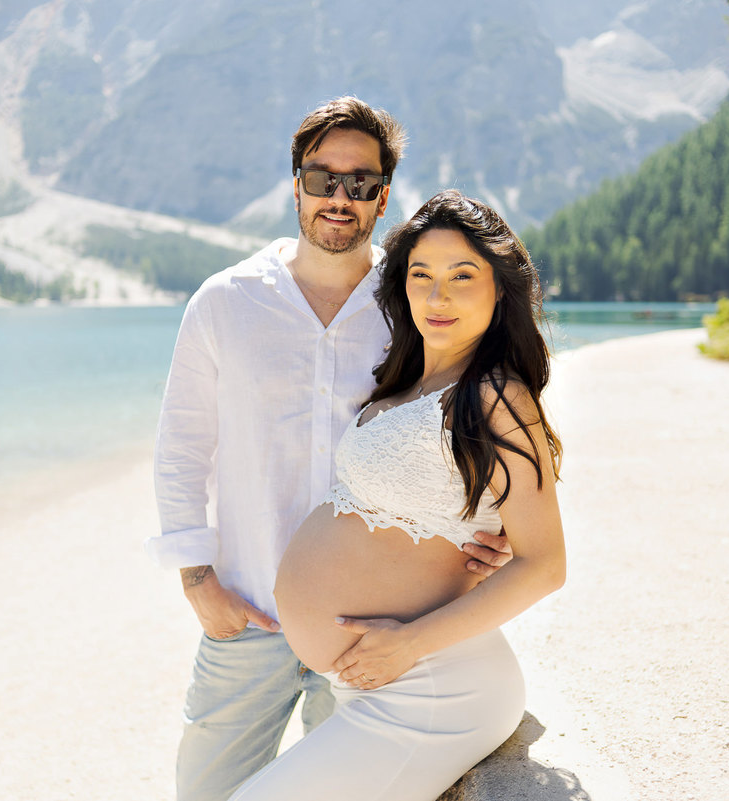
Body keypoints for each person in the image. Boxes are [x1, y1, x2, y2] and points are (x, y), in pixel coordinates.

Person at [150, 98, 513, 801]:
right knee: (206, 791)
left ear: (383, 198)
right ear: (296, 186)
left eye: (360, 183)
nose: (339, 198)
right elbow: (181, 446)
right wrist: (197, 581)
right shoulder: (224, 302)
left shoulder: (411, 303)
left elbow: (470, 422)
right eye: (323, 179)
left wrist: (490, 529)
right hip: (244, 615)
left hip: (371, 631)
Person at [228, 190, 567, 801]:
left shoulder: (495, 395)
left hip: (432, 686)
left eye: (463, 277)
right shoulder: (407, 381)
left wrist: (409, 642)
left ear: (500, 288)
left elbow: (545, 565)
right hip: (377, 683)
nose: (438, 298)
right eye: (422, 275)